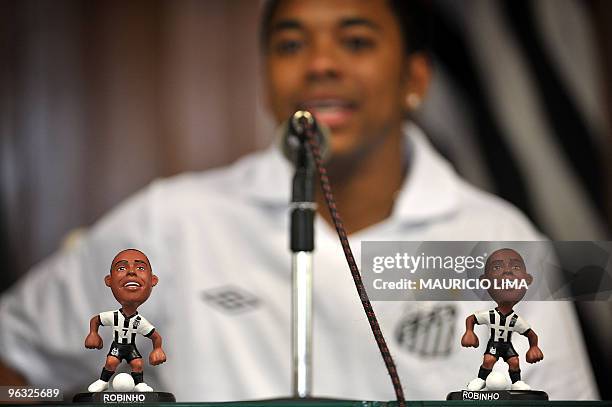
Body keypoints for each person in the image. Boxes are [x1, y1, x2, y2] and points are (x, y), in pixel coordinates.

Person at [0, 0, 597, 401]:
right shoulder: (173, 220)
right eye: (290, 45)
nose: (319, 65)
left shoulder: (500, 236)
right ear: (265, 78)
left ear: (415, 79)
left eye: (356, 41)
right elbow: (17, 365)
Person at [461, 248, 543, 391]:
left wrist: (534, 347)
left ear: (526, 281)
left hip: (506, 345)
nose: (507, 272)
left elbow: (531, 334)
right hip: (495, 343)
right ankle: (480, 380)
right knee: (489, 360)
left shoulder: (515, 319)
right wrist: (469, 332)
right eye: (497, 267)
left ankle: (516, 382)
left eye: (515, 267)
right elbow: (471, 319)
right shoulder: (490, 314)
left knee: (515, 361)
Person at [85, 249, 166, 393]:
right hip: (118, 345)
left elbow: (155, 336)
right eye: (121, 268)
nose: (131, 272)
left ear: (153, 280)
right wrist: (93, 334)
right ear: (109, 280)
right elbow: (95, 320)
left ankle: (139, 384)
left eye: (140, 268)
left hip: (130, 347)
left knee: (137, 364)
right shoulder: (114, 316)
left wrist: (157, 349)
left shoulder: (139, 321)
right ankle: (103, 381)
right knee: (111, 362)